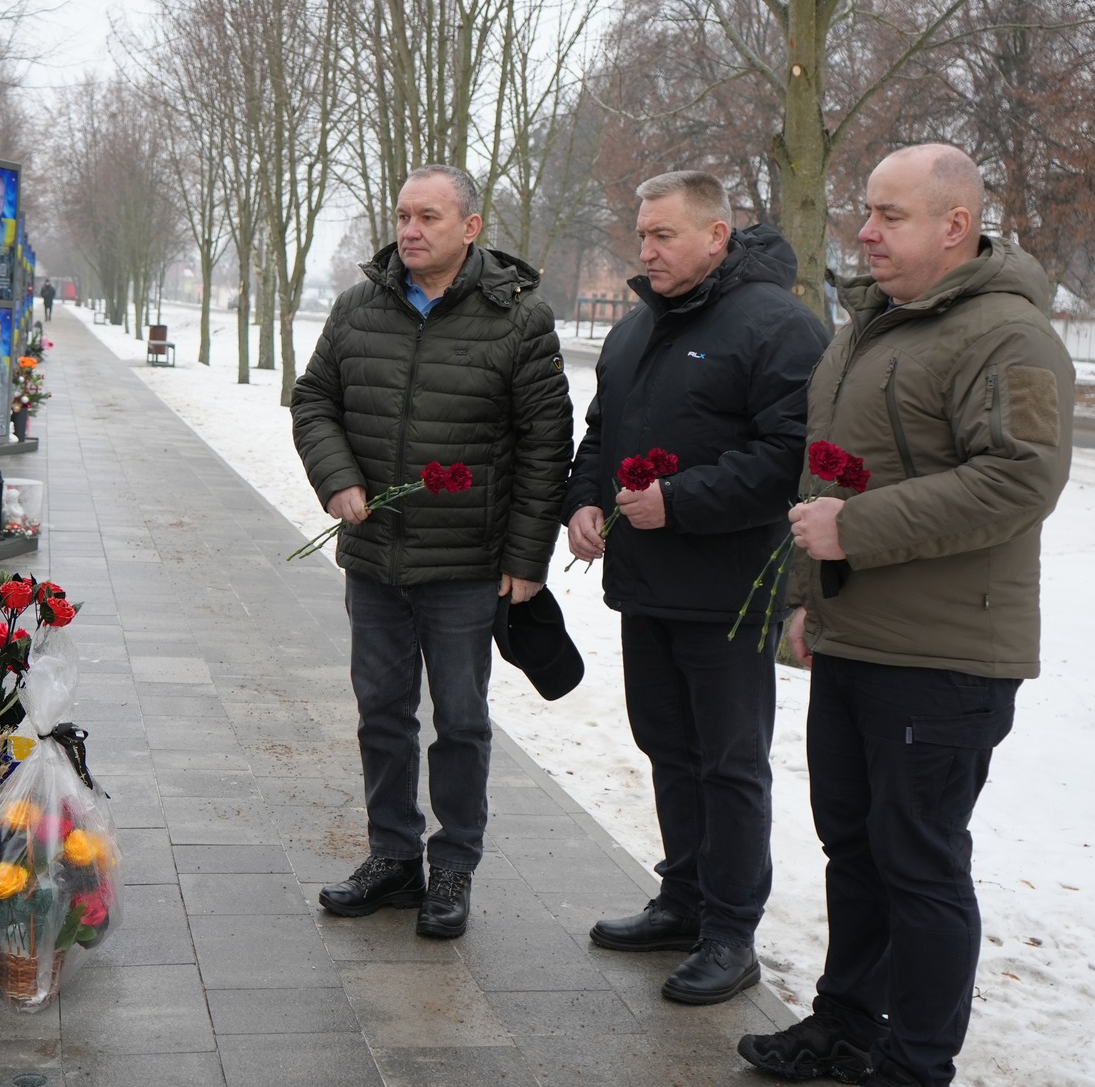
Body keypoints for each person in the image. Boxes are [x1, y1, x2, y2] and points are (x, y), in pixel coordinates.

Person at [739, 144, 1074, 1087]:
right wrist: (811, 601)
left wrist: (855, 533)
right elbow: (826, 477)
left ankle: (915, 1080)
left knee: (919, 865)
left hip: (945, 654)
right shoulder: (870, 327)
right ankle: (847, 1024)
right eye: (866, 212)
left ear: (955, 226)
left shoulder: (1008, 335)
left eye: (889, 215)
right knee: (855, 847)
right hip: (858, 639)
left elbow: (1019, 478)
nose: (866, 232)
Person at [566, 172, 827, 1004]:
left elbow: (790, 455)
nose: (645, 251)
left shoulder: (779, 326)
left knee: (729, 763)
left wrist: (678, 501)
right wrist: (583, 500)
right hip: (646, 586)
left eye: (664, 236)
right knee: (666, 747)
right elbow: (601, 433)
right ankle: (683, 898)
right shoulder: (636, 327)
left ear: (717, 236)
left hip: (729, 590)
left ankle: (731, 930)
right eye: (641, 234)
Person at [292, 165, 572, 939]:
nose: (410, 230)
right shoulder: (359, 307)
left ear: (471, 227)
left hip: (467, 565)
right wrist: (337, 479)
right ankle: (393, 856)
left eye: (429, 217)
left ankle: (453, 865)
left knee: (461, 719)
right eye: (403, 215)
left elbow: (546, 444)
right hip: (376, 559)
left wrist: (526, 559)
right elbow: (314, 400)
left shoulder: (519, 319)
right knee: (382, 712)